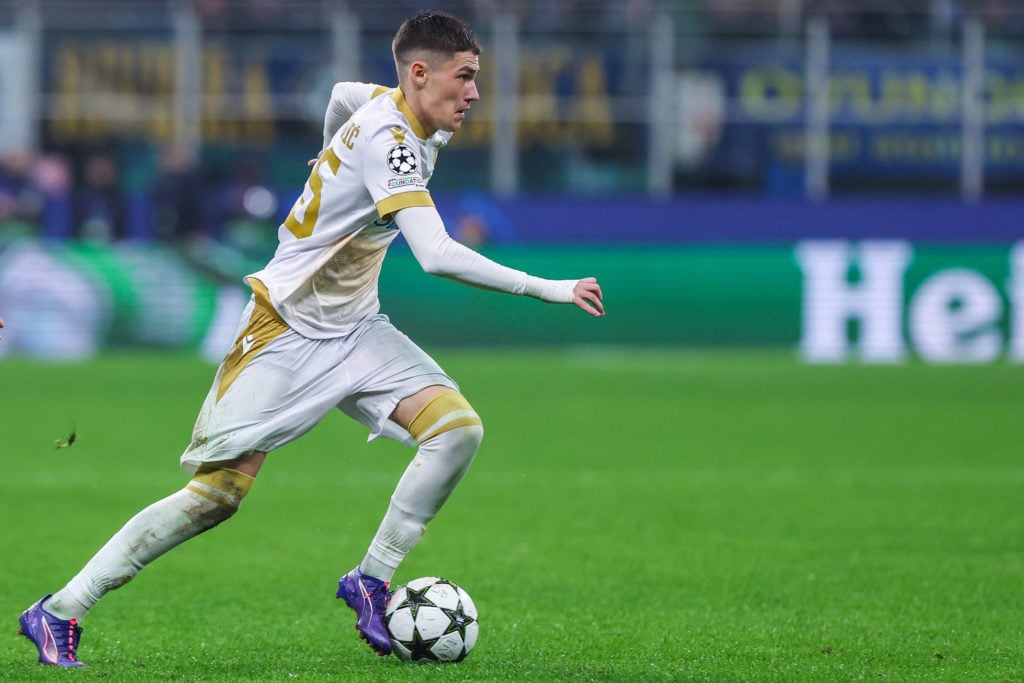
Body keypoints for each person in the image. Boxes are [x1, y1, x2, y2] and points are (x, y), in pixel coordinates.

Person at [18, 9, 603, 668]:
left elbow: (339, 97)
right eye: (464, 77)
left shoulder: (387, 105)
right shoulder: (396, 141)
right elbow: (437, 255)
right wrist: (550, 287)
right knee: (216, 498)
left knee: (458, 430)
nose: (474, 93)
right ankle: (60, 608)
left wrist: (328, 151)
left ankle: (371, 578)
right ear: (419, 73)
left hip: (355, 329)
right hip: (285, 330)